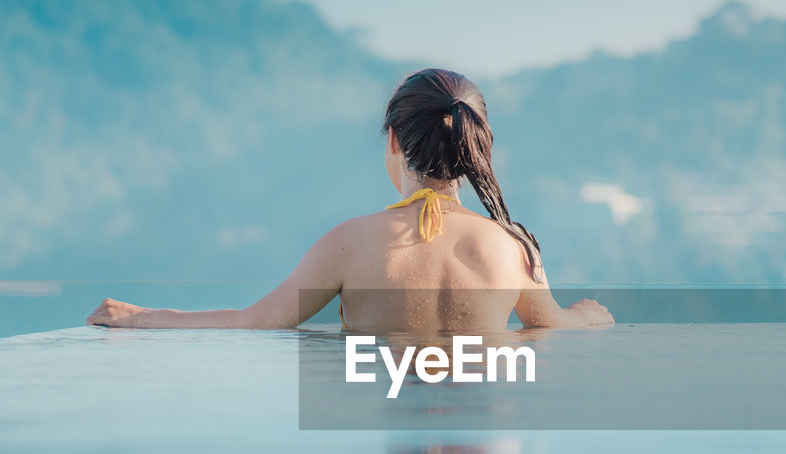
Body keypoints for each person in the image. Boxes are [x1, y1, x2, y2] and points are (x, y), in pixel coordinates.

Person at [86, 68, 613, 333]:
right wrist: (592, 316)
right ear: (477, 146)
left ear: (393, 142)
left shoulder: (349, 244)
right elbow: (556, 329)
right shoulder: (512, 248)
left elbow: (253, 323)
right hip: (485, 432)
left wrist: (141, 318)